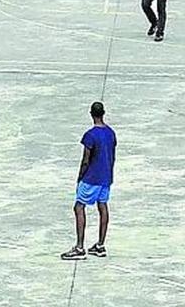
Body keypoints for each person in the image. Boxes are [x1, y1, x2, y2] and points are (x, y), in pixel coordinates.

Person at [61, 102, 117, 260]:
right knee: (103, 207)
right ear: (103, 113)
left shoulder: (90, 135)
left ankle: (79, 247)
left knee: (79, 207)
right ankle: (100, 245)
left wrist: (80, 177)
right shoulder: (111, 133)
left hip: (92, 177)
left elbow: (86, 160)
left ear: (91, 114)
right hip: (106, 177)